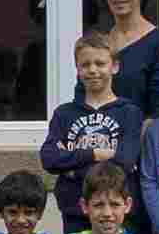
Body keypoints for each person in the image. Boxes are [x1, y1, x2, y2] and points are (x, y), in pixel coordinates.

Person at [38, 33, 139, 195]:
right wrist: (96, 153)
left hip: (116, 209)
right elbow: (49, 158)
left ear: (115, 67)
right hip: (74, 209)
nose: (92, 70)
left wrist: (73, 171)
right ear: (77, 69)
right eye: (85, 65)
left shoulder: (129, 112)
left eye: (100, 64)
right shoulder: (64, 114)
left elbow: (126, 161)